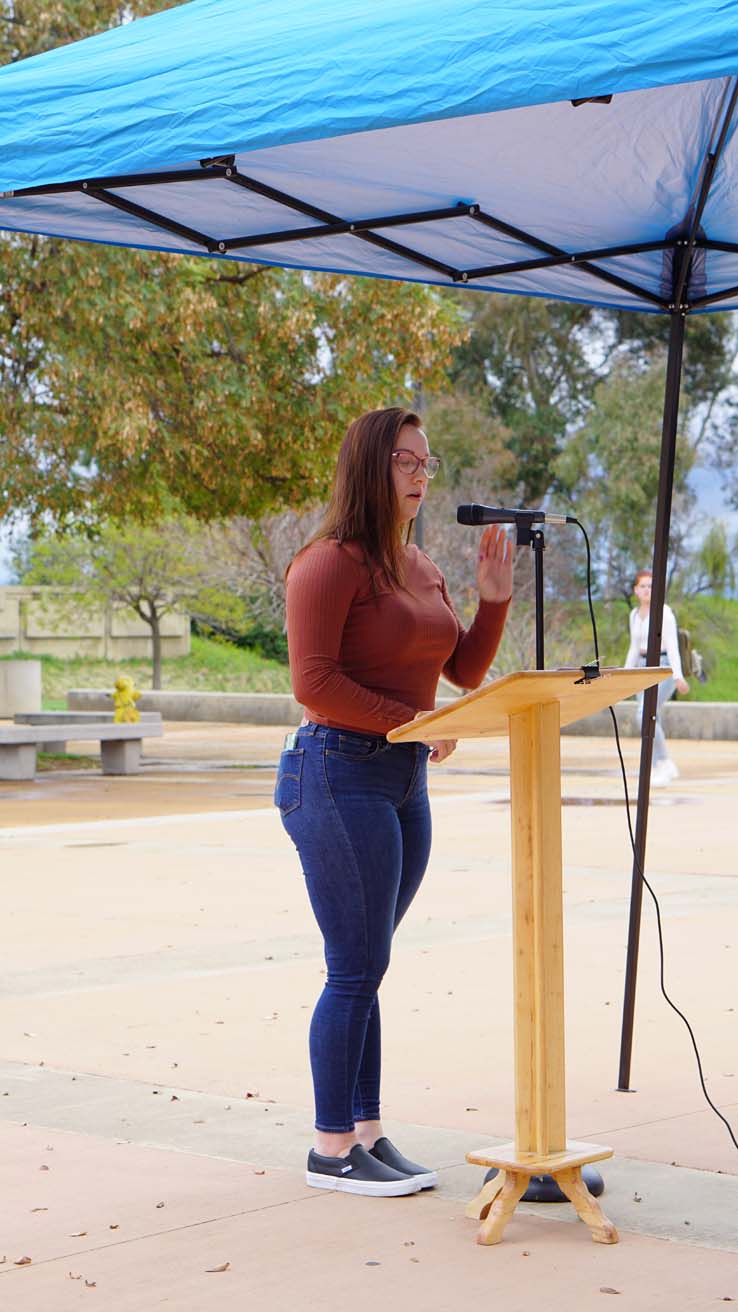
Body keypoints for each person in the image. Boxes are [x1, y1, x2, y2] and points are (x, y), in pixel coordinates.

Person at [274, 406, 512, 1197]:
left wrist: (493, 600)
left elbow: (463, 672)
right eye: (406, 460)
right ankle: (330, 1148)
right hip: (336, 775)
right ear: (369, 468)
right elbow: (313, 682)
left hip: (404, 782)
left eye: (426, 462)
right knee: (355, 967)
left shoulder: (420, 566)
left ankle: (368, 1132)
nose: (421, 475)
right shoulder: (327, 565)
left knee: (368, 962)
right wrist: (412, 723)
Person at [624, 568, 689, 786]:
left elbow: (673, 646)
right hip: (642, 668)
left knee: (645, 714)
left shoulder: (664, 613)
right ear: (636, 590)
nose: (647, 590)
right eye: (643, 586)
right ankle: (658, 765)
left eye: (651, 586)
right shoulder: (634, 615)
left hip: (663, 667)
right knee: (652, 717)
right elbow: (634, 648)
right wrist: (624, 676)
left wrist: (678, 676)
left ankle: (663, 763)